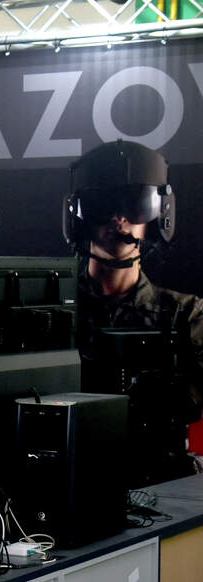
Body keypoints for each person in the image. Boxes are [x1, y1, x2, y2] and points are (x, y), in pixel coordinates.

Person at [68, 140, 203, 482]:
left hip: (161, 481)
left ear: (158, 215)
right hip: (70, 475)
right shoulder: (51, 312)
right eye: (103, 205)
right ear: (80, 216)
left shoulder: (186, 315)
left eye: (135, 204)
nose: (119, 219)